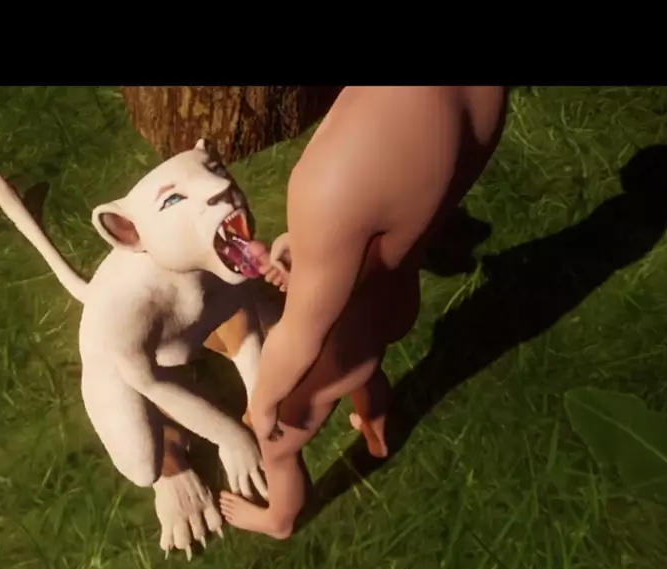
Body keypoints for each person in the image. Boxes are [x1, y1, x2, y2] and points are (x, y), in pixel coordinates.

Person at [218, 86, 509, 540]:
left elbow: (299, 337)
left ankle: (279, 519)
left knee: (275, 443)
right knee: (366, 367)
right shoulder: (489, 95)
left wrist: (263, 405)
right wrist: (319, 245)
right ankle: (377, 432)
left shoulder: (332, 176)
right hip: (394, 288)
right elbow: (395, 205)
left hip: (343, 328)